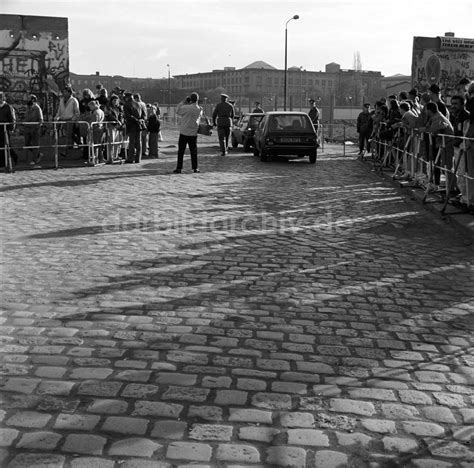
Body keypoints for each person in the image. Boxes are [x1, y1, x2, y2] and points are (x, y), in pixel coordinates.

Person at [174, 92, 202, 173]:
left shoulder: (186, 107)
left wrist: (183, 101)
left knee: (181, 151)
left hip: (184, 132)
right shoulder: (199, 109)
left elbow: (177, 110)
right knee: (193, 151)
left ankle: (179, 168)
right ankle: (195, 167)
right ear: (197, 100)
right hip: (193, 132)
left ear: (190, 99)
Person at [449, 95, 470, 200]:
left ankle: (466, 196)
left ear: (463, 104)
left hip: (464, 147)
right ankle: (463, 193)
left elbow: (465, 133)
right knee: (458, 171)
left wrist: (460, 142)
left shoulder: (466, 116)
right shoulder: (456, 115)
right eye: (452, 104)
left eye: (456, 104)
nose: (453, 106)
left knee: (462, 171)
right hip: (457, 147)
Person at [55, 86, 80, 158]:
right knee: (65, 134)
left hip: (70, 120)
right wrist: (56, 117)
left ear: (69, 92)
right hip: (62, 120)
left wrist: (73, 119)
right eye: (63, 92)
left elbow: (77, 112)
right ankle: (78, 143)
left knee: (68, 135)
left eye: (65, 92)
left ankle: (65, 150)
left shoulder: (74, 100)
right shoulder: (61, 100)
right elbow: (59, 110)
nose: (64, 93)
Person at [123, 92, 146, 163]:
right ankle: (138, 158)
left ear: (127, 97)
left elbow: (128, 116)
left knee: (132, 142)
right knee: (139, 142)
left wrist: (136, 120)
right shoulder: (139, 104)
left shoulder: (126, 105)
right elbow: (144, 115)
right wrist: (140, 120)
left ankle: (130, 158)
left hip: (131, 125)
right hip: (139, 125)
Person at [23, 94, 44, 167]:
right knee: (27, 144)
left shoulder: (37, 108)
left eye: (29, 98)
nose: (27, 100)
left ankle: (34, 159)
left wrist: (36, 127)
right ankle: (38, 154)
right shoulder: (27, 107)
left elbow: (41, 119)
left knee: (35, 144)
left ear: (33, 100)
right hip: (27, 129)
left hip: (34, 129)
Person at [104, 94, 124, 163]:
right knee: (111, 141)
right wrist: (116, 121)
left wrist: (120, 122)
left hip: (117, 127)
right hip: (111, 126)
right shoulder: (108, 107)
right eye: (114, 100)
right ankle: (110, 157)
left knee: (117, 142)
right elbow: (109, 115)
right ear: (111, 101)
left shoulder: (119, 108)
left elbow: (121, 115)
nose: (115, 102)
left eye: (116, 100)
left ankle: (115, 156)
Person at [0, 91, 17, 169]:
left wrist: (12, 128)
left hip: (5, 128)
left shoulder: (8, 107)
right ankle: (2, 162)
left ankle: (14, 157)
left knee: (6, 144)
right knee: (1, 145)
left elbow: (12, 118)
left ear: (3, 98)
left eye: (0, 97)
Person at [87, 99, 105, 165]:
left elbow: (94, 122)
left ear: (93, 106)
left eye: (90, 107)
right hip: (101, 128)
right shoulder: (101, 111)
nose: (90, 108)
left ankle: (95, 159)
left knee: (95, 144)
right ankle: (100, 158)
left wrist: (90, 128)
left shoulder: (95, 112)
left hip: (96, 129)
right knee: (99, 144)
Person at [134, 93, 148, 158]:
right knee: (144, 138)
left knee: (138, 138)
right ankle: (144, 151)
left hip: (139, 122)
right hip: (144, 121)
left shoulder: (138, 104)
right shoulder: (144, 104)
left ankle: (139, 152)